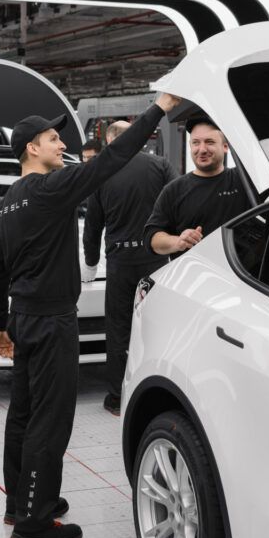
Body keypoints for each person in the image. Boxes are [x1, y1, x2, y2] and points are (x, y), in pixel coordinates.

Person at [0, 93, 180, 538]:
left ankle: (21, 503)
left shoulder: (8, 202)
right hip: (53, 323)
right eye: (53, 139)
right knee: (50, 422)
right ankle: (34, 524)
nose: (60, 145)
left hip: (24, 319)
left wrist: (0, 323)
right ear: (32, 147)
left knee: (23, 414)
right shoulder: (51, 191)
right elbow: (111, 159)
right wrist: (159, 109)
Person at [80, 120, 176, 416]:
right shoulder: (160, 165)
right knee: (157, 327)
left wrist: (91, 265)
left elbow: (93, 226)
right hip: (156, 261)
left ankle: (116, 398)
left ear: (109, 142)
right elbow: (179, 200)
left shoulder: (102, 172)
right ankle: (159, 396)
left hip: (120, 264)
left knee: (119, 330)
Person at [144, 116, 252, 261]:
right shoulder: (174, 190)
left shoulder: (244, 182)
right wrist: (178, 241)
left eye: (210, 142)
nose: (202, 149)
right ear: (190, 146)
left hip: (244, 278)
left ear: (225, 147)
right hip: (194, 279)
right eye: (196, 143)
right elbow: (152, 238)